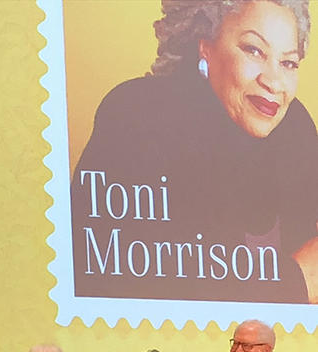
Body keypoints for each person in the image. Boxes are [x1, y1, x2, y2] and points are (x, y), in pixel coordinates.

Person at [71, 0, 318, 304]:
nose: (273, 81)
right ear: (205, 46)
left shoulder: (294, 127)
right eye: (254, 50)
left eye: (288, 63)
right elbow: (124, 286)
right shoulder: (137, 116)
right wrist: (296, 282)